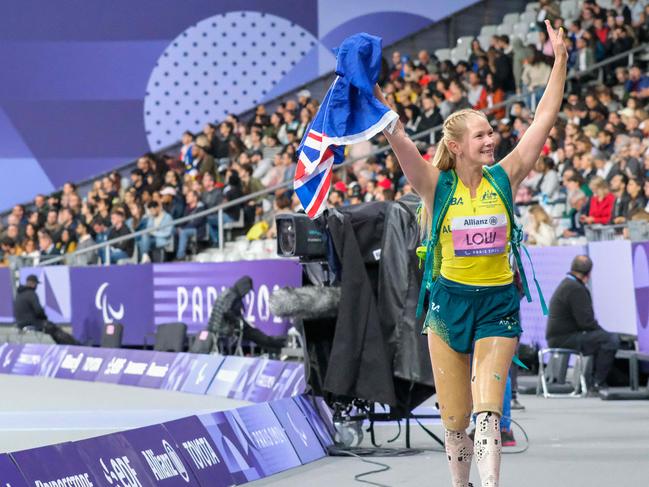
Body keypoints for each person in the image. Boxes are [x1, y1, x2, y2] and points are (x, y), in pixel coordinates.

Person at [374, 20, 566, 487]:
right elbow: (398, 139)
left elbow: (542, 119)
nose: (491, 139)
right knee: (456, 419)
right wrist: (379, 106)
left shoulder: (506, 176)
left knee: (487, 409)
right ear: (456, 146)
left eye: (491, 132)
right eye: (481, 135)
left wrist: (560, 62)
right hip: (447, 307)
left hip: (498, 304)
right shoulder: (433, 187)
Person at [546, 255, 620, 393]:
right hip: (564, 339)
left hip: (558, 337)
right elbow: (587, 323)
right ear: (589, 274)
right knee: (610, 339)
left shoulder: (567, 284)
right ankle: (598, 383)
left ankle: (592, 381)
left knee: (601, 338)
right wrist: (603, 333)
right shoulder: (576, 288)